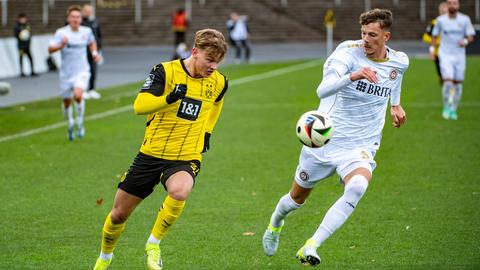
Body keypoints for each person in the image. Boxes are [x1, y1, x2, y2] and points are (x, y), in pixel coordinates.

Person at [262, 9, 408, 266]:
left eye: (372, 35)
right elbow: (322, 89)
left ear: (386, 36)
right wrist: (353, 75)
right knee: (295, 200)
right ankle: (275, 223)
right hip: (324, 140)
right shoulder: (347, 53)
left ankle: (312, 245)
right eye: (363, 33)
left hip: (361, 144)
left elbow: (394, 80)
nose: (366, 39)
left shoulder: (400, 61)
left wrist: (395, 105)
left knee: (358, 186)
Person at [92, 28, 228, 270]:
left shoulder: (218, 82)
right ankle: (105, 258)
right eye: (209, 60)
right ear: (194, 52)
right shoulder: (165, 71)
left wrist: (207, 131)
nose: (213, 67)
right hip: (151, 154)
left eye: (218, 62)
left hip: (186, 156)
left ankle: (153, 244)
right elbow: (139, 106)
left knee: (181, 190)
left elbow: (217, 103)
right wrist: (170, 98)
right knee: (118, 215)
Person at [48, 5, 100, 141]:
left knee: (78, 95)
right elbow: (50, 49)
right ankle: (70, 123)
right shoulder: (61, 33)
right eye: (73, 17)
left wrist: (94, 53)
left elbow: (92, 42)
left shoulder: (86, 31)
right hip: (66, 74)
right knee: (66, 102)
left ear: (81, 19)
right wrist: (61, 45)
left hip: (82, 71)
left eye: (78, 17)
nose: (75, 19)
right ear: (68, 19)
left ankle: (80, 122)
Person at [431, 0, 475, 120]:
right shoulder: (441, 20)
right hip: (445, 54)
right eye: (450, 3)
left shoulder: (465, 19)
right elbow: (434, 35)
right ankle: (446, 107)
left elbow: (471, 36)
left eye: (454, 3)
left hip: (459, 55)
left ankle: (453, 109)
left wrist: (465, 41)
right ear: (447, 5)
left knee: (458, 84)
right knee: (448, 82)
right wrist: (432, 50)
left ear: (458, 5)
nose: (452, 5)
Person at [423, 2, 448, 84]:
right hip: (438, 53)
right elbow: (425, 37)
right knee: (441, 76)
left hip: (450, 53)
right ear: (439, 11)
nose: (444, 13)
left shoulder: (452, 23)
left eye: (445, 12)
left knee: (449, 75)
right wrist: (436, 43)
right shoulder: (434, 23)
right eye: (442, 12)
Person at [82, 4, 103, 100]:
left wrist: (99, 49)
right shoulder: (80, 22)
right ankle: (83, 90)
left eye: (90, 11)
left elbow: (99, 36)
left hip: (94, 51)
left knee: (93, 70)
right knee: (83, 71)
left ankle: (91, 89)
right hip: (83, 51)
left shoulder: (94, 22)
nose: (88, 12)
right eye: (86, 10)